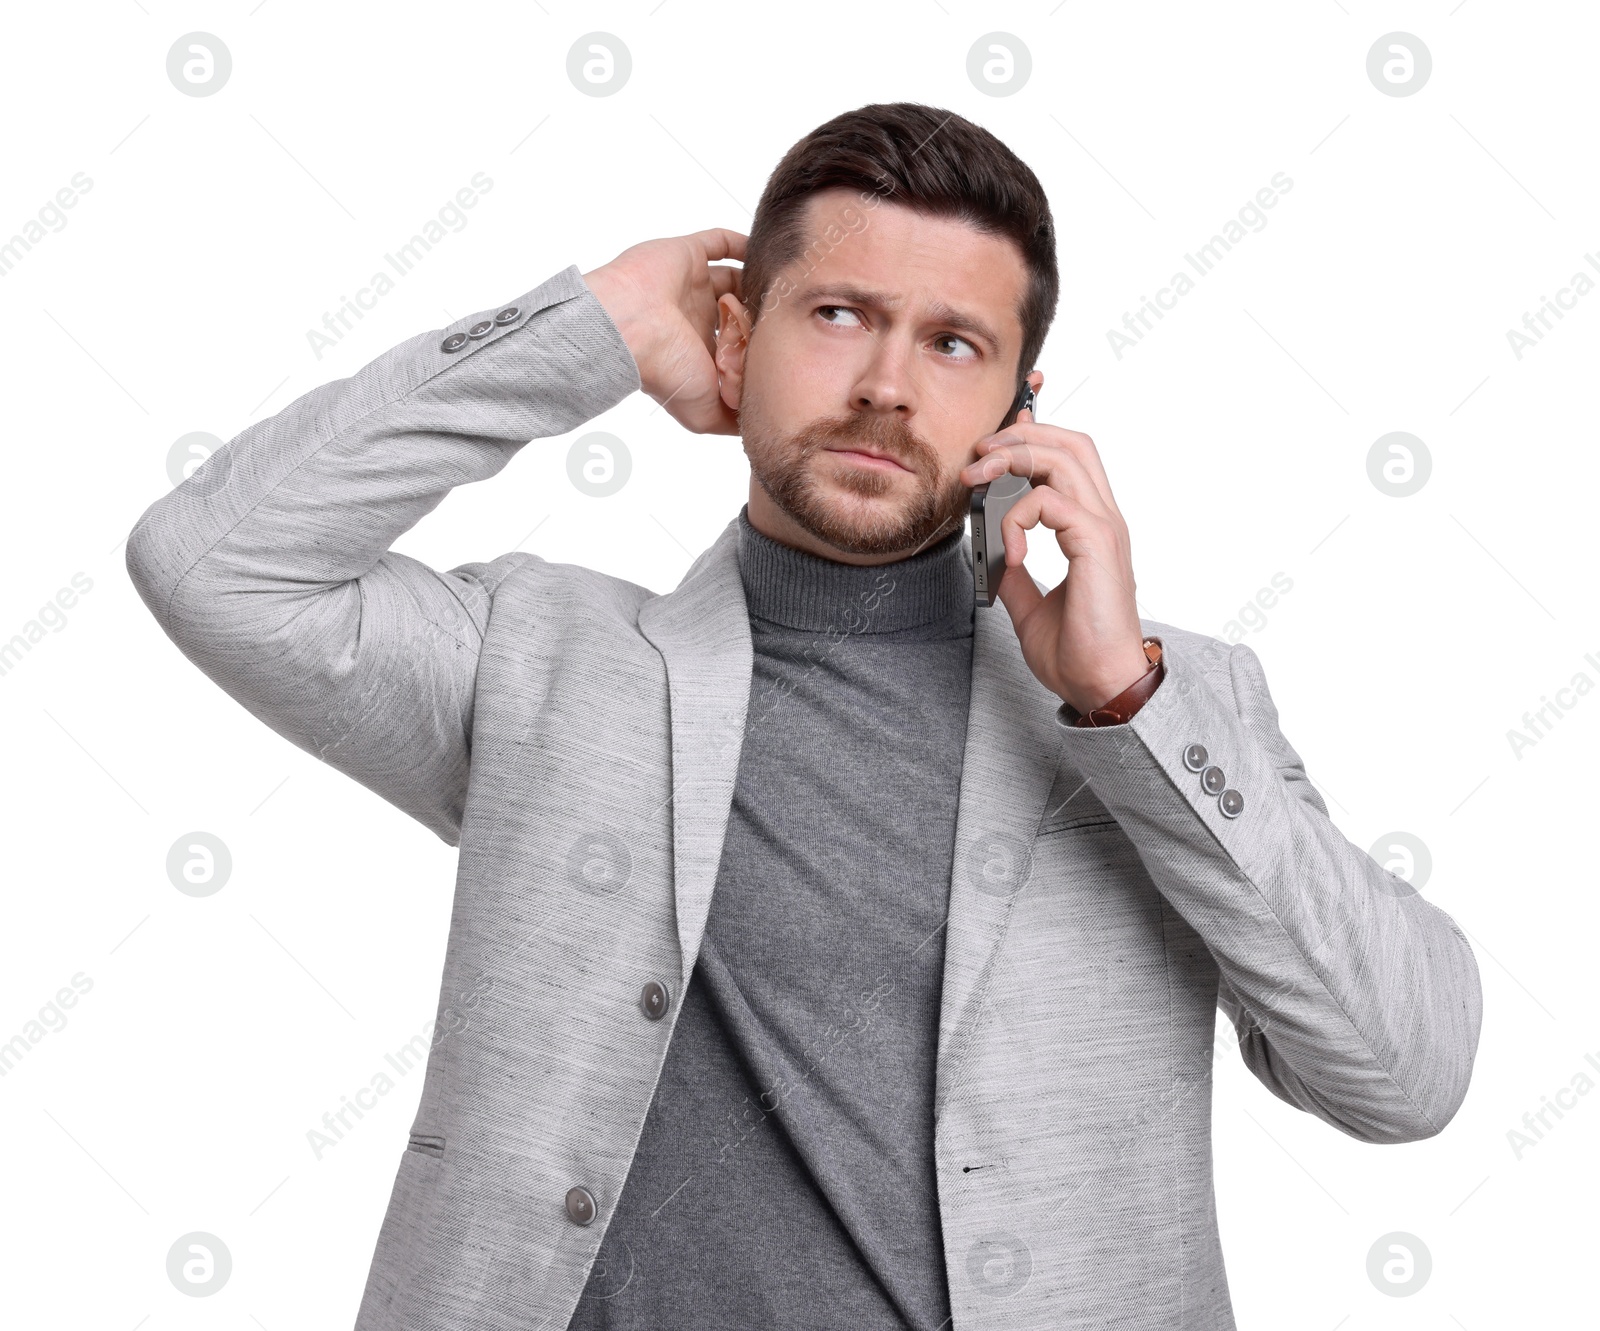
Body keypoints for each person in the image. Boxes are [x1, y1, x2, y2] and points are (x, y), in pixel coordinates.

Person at [125, 102, 1483, 1331]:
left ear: (1020, 411)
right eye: (838, 315)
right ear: (736, 337)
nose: (888, 385)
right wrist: (586, 327)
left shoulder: (1168, 711)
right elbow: (214, 562)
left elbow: (1404, 1076)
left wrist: (1125, 699)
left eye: (954, 343)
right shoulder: (541, 666)